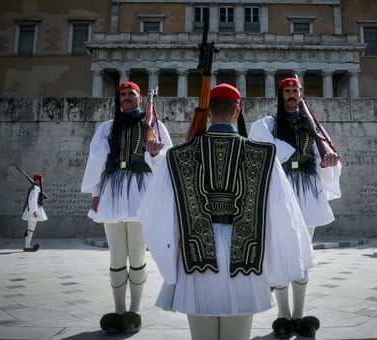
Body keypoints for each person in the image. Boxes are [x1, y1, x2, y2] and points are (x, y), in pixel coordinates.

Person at [138, 83, 315, 340]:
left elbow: (154, 214)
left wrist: (170, 265)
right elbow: (283, 215)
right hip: (246, 261)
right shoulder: (265, 155)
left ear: (208, 113)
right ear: (237, 112)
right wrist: (277, 268)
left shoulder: (176, 155)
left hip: (194, 259)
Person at [249, 77, 342, 338]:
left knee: (302, 253)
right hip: (281, 189)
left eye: (295, 91)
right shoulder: (267, 124)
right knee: (280, 251)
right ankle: (282, 315)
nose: (291, 95)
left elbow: (327, 156)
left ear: (301, 94)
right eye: (287, 91)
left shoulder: (313, 126)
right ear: (280, 95)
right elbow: (264, 149)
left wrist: (328, 161)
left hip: (307, 190)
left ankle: (299, 315)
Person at [81, 81, 172, 334]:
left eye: (131, 94)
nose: (126, 98)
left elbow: (166, 160)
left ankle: (135, 309)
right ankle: (119, 310)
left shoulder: (154, 126)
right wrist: (97, 193)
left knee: (137, 254)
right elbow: (97, 160)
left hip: (140, 191)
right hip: (112, 190)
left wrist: (154, 154)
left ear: (140, 98)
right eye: (122, 94)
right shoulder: (106, 128)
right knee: (117, 255)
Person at [21, 173, 47, 252]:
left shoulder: (35, 188)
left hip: (32, 211)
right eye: (41, 179)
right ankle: (27, 247)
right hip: (33, 212)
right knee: (30, 229)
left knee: (30, 229)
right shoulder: (36, 188)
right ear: (38, 180)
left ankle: (27, 246)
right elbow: (32, 200)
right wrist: (34, 211)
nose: (42, 180)